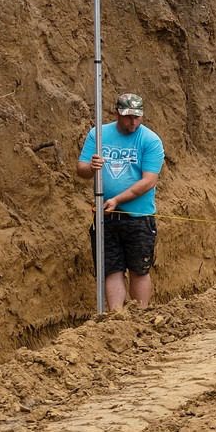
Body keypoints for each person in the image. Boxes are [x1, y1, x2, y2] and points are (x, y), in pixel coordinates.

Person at [75, 93, 166, 310]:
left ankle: (141, 313)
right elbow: (81, 169)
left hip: (138, 217)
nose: (133, 122)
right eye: (128, 117)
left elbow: (149, 181)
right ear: (117, 114)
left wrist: (117, 199)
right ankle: (116, 317)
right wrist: (91, 167)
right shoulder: (98, 135)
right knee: (111, 268)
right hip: (106, 216)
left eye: (136, 117)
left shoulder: (150, 140)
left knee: (139, 268)